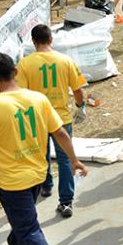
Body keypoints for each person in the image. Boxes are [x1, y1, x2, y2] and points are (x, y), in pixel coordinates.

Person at [0, 53, 88, 245]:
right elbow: (60, 133)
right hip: (37, 174)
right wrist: (74, 160)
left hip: (11, 181)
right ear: (16, 73)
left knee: (28, 230)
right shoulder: (38, 99)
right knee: (24, 224)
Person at [15, 25, 87, 218]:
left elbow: (20, 94)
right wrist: (81, 106)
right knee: (65, 159)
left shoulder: (25, 64)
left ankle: (46, 186)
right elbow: (78, 89)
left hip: (36, 119)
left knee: (40, 155)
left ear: (33, 41)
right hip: (61, 117)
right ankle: (66, 201)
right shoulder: (65, 61)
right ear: (51, 39)